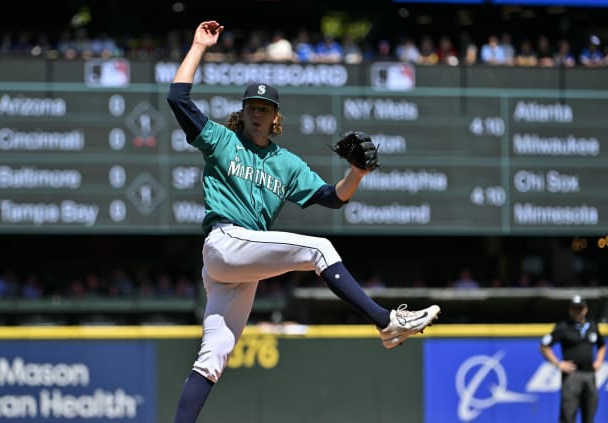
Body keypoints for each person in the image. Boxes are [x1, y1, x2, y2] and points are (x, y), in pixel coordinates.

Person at [166, 20, 441, 423]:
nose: (257, 114)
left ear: (276, 118)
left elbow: (333, 198)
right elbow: (178, 98)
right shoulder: (222, 140)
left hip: (244, 267)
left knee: (213, 357)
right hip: (224, 243)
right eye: (251, 108)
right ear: (241, 114)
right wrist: (197, 47)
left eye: (265, 109)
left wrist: (357, 174)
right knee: (319, 248)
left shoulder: (287, 164)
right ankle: (386, 321)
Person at [539, 295, 607, 423]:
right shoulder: (563, 327)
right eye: (574, 308)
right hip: (572, 375)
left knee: (589, 415)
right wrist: (558, 364)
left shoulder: (592, 326)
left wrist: (599, 361)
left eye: (580, 308)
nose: (577, 311)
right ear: (570, 309)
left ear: (585, 309)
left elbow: (602, 345)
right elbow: (544, 346)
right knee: (568, 415)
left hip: (589, 374)